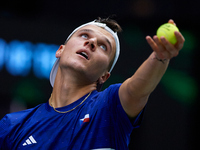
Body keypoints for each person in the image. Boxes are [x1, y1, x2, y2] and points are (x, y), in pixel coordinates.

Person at [0, 18, 185, 150]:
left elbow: (137, 89)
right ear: (60, 50)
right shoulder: (13, 125)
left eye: (104, 46)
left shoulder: (109, 107)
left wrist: (160, 57)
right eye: (83, 35)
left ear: (104, 76)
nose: (91, 42)